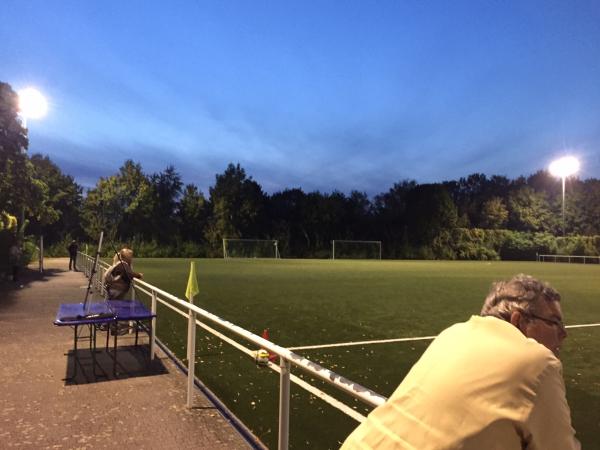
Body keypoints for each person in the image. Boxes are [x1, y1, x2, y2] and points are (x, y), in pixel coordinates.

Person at [340, 274, 580, 450]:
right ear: (518, 320)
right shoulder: (538, 361)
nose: (563, 333)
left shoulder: (453, 333)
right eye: (555, 322)